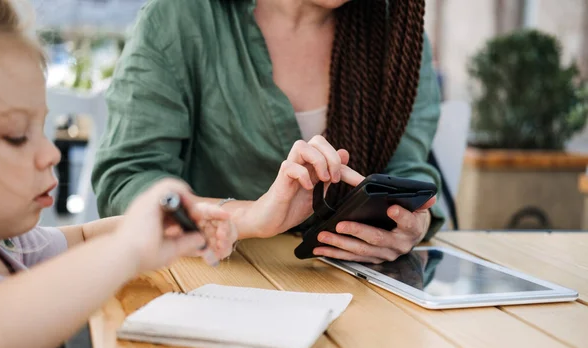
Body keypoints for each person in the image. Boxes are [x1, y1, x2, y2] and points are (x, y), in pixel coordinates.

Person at [0, 0, 237, 348]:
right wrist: (127, 249)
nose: (51, 152)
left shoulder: (7, 246)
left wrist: (155, 223)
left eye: (42, 128)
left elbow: (83, 238)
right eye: (17, 135)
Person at [92, 0, 444, 264]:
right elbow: (127, 182)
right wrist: (246, 217)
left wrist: (411, 222)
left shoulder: (399, 34)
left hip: (355, 296)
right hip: (211, 281)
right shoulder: (182, 17)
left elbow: (407, 169)